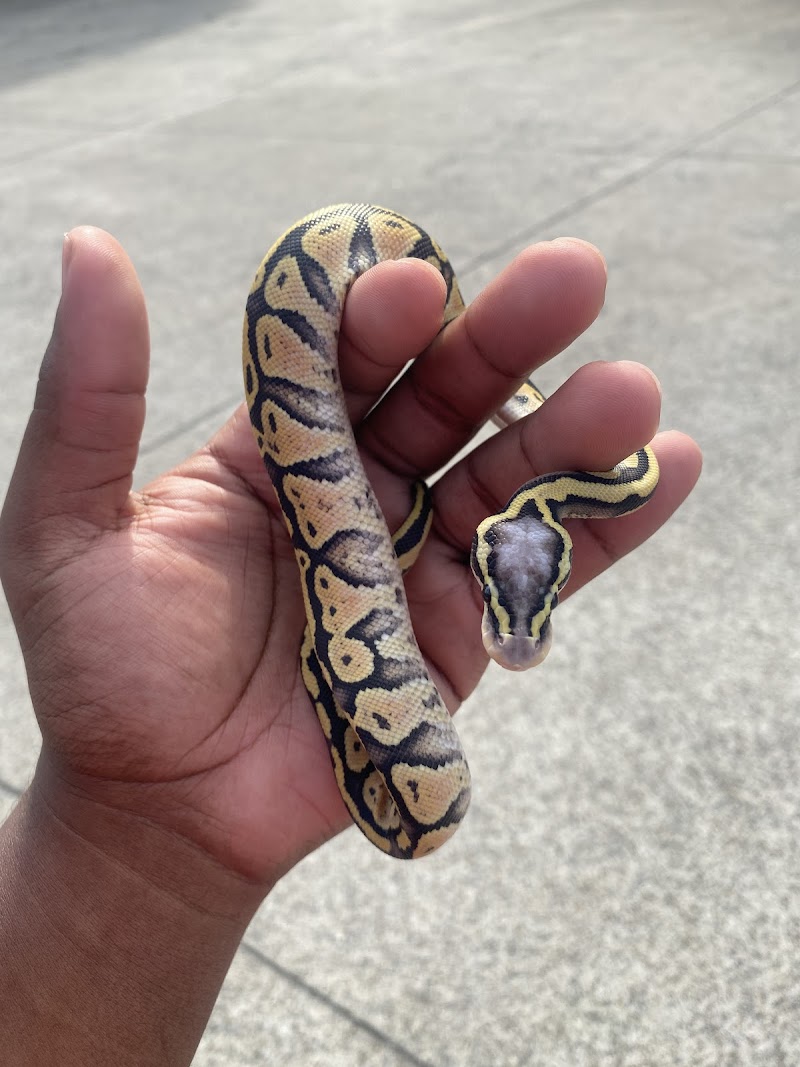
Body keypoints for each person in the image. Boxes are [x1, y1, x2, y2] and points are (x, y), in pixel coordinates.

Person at [0, 225, 701, 1064]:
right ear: (491, 550)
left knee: (425, 813)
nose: (514, 633)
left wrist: (145, 838)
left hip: (356, 608)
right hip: (362, 615)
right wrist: (134, 820)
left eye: (532, 608)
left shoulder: (526, 523)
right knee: (425, 813)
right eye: (513, 602)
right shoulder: (551, 506)